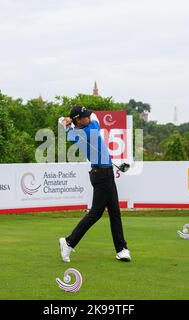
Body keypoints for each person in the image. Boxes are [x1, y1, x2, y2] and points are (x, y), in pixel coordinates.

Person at [57, 105, 131, 262]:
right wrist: (69, 122)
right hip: (101, 175)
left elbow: (72, 122)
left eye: (88, 115)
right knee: (96, 213)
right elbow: (92, 122)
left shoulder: (77, 130)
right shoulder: (87, 131)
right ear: (78, 120)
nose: (89, 117)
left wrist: (68, 122)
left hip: (106, 172)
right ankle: (69, 242)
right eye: (85, 116)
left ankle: (121, 249)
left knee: (114, 212)